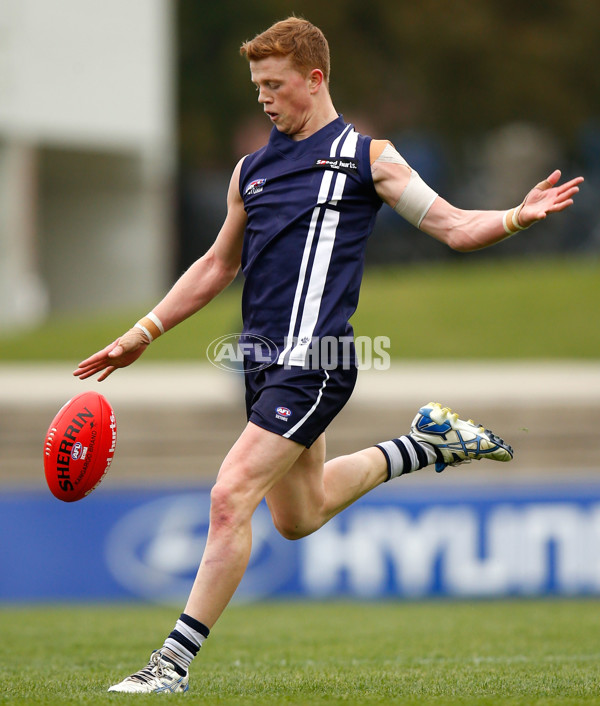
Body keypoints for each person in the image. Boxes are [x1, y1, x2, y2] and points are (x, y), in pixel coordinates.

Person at [74, 17, 583, 694]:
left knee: (230, 497)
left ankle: (170, 665)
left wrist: (515, 216)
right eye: (257, 85)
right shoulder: (250, 171)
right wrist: (144, 330)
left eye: (275, 85)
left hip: (318, 358)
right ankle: (426, 445)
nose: (264, 98)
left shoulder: (368, 158)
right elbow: (215, 266)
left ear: (315, 80)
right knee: (299, 516)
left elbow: (455, 227)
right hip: (260, 362)